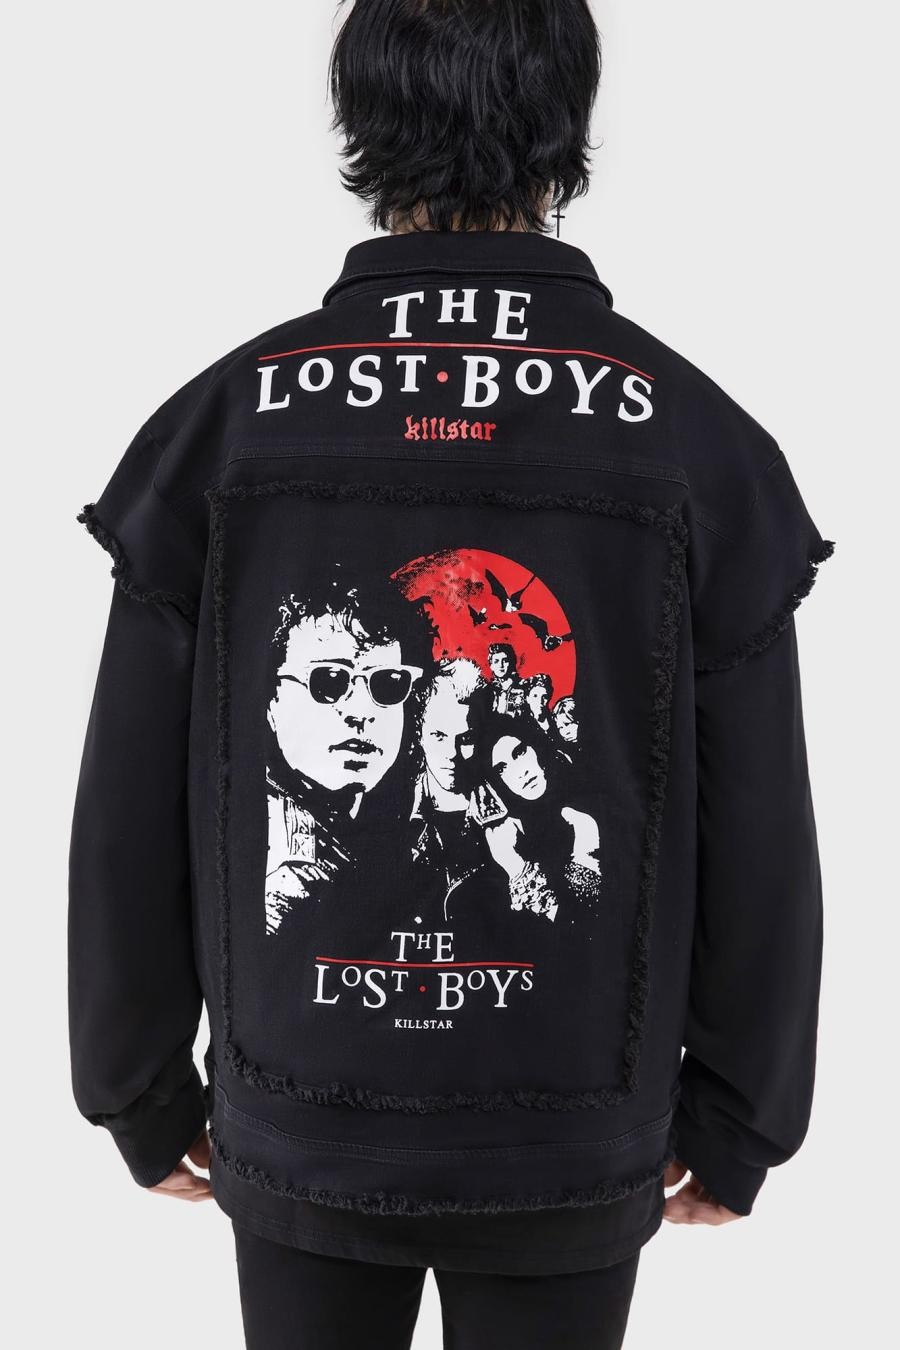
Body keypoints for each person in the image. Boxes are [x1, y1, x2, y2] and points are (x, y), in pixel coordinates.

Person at [68, 2, 833, 1347]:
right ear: (568, 123)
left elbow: (127, 795)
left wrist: (134, 1084)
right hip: (572, 1114)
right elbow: (760, 810)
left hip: (301, 1102)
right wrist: (743, 1112)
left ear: (362, 119)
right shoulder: (693, 438)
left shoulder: (228, 423)